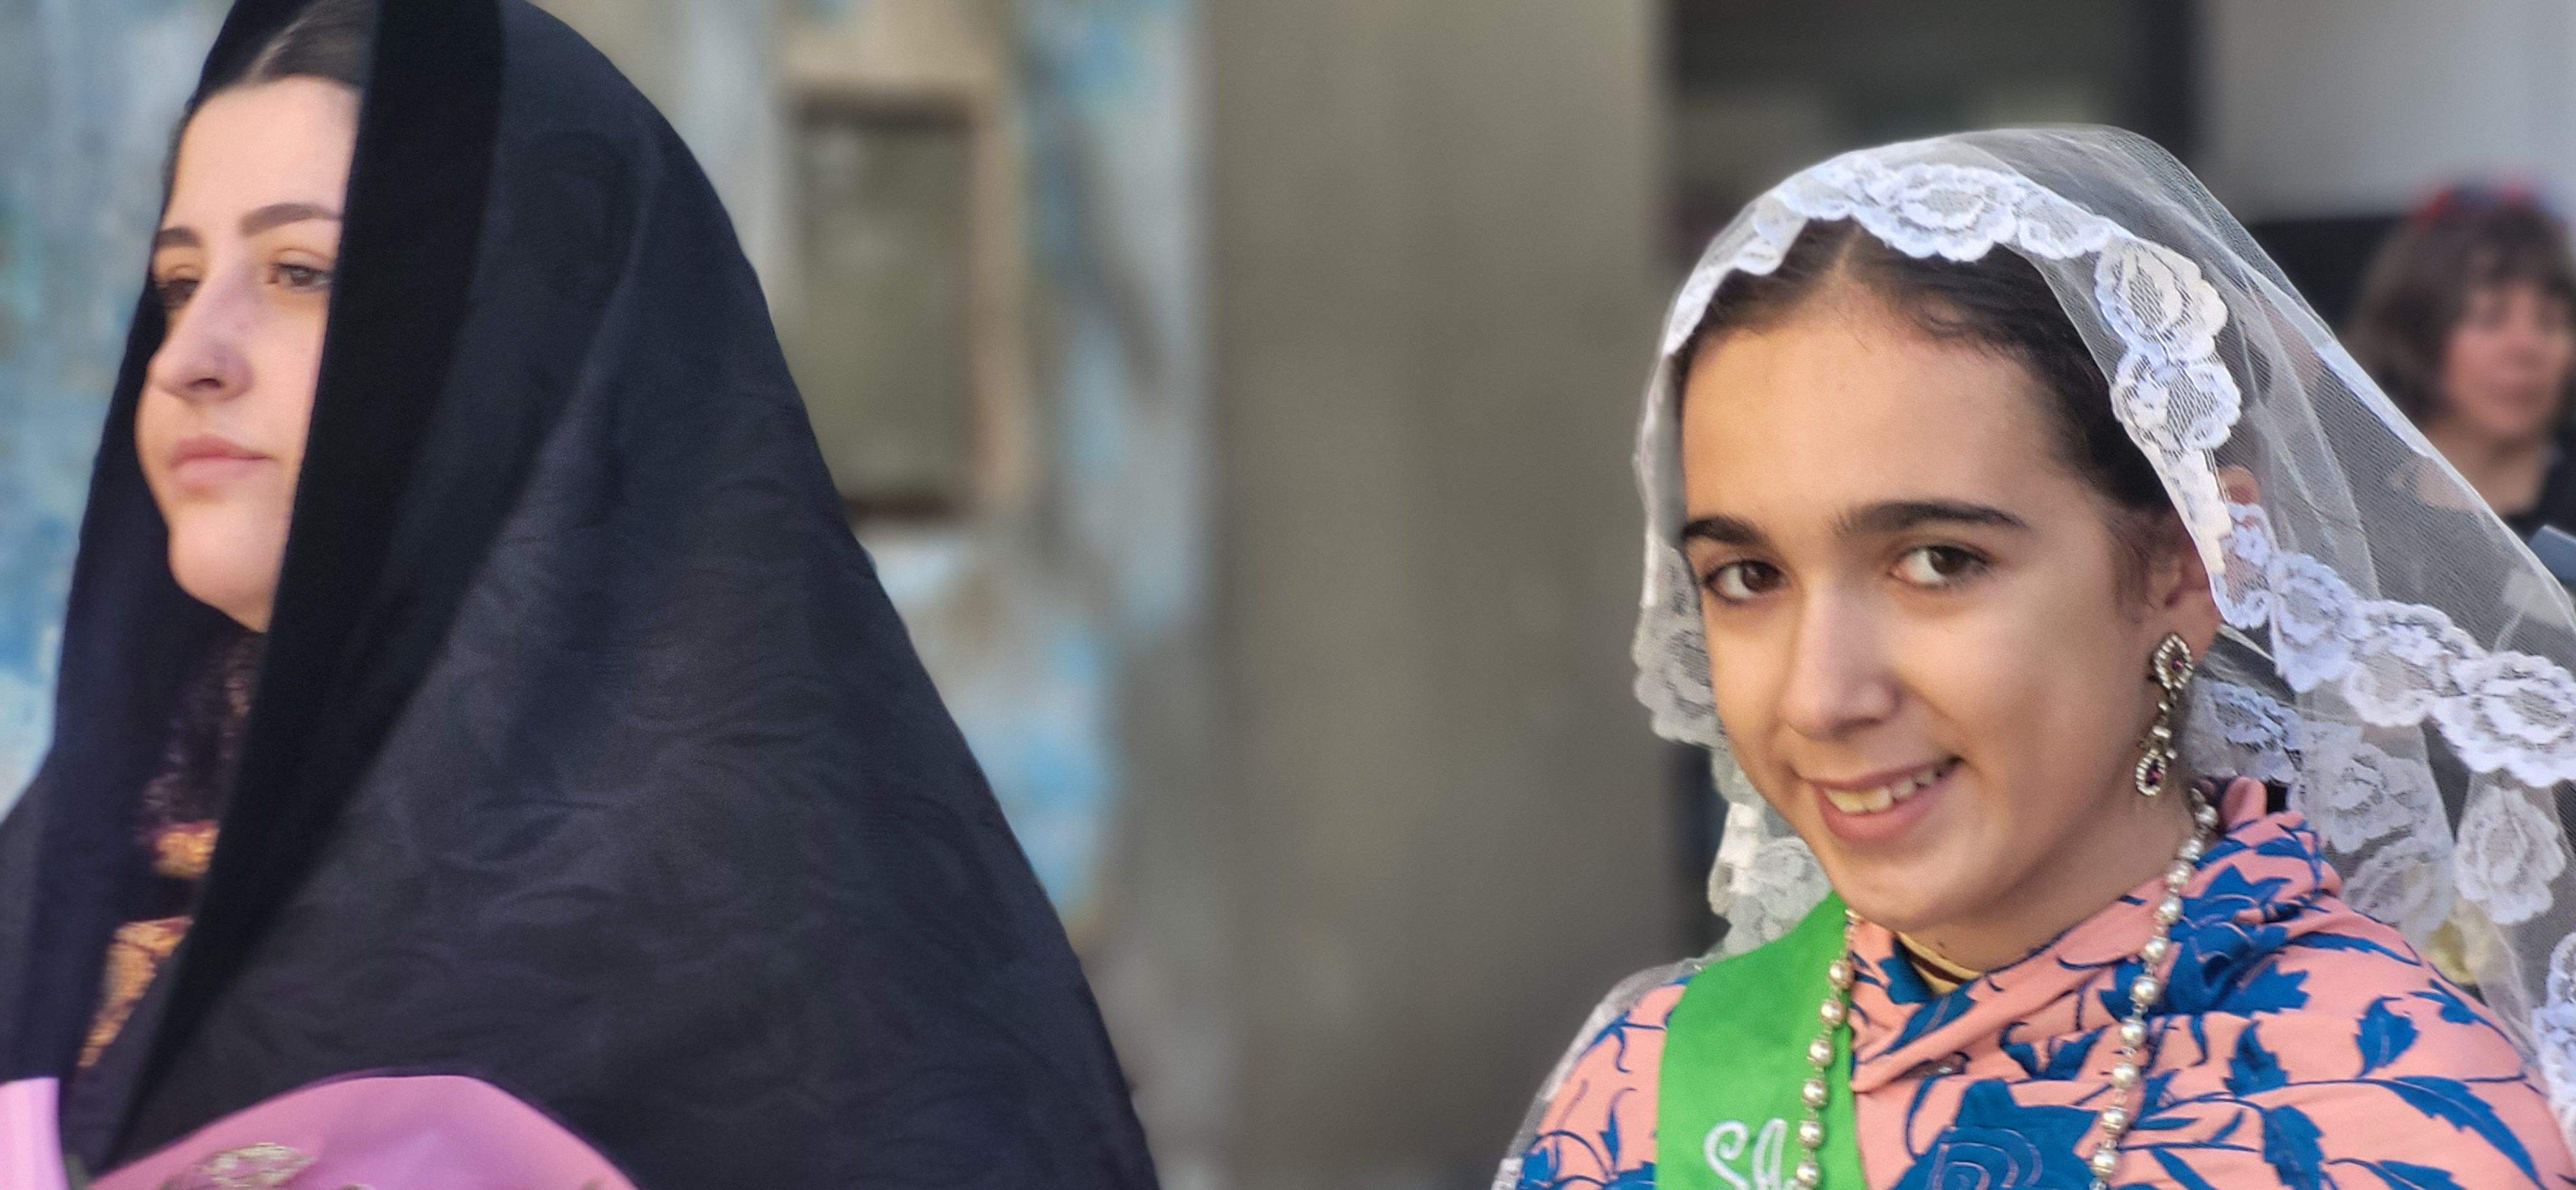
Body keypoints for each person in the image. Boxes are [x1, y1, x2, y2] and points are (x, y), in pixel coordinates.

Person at [0, 0, 1159, 1185]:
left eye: (301, 270)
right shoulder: (69, 860)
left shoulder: (759, 934)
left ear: (510, 352)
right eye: (180, 281)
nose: (192, 351)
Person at [1497, 129, 2576, 1189]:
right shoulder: (1641, 1088)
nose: (1819, 696)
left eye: (1936, 559)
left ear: (2188, 566)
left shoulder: (2393, 1122)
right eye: (1748, 575)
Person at [2349, 185, 2576, 538]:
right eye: (2489, 317)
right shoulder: (2344, 504)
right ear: (2416, 330)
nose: (2526, 346)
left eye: (2552, 321)